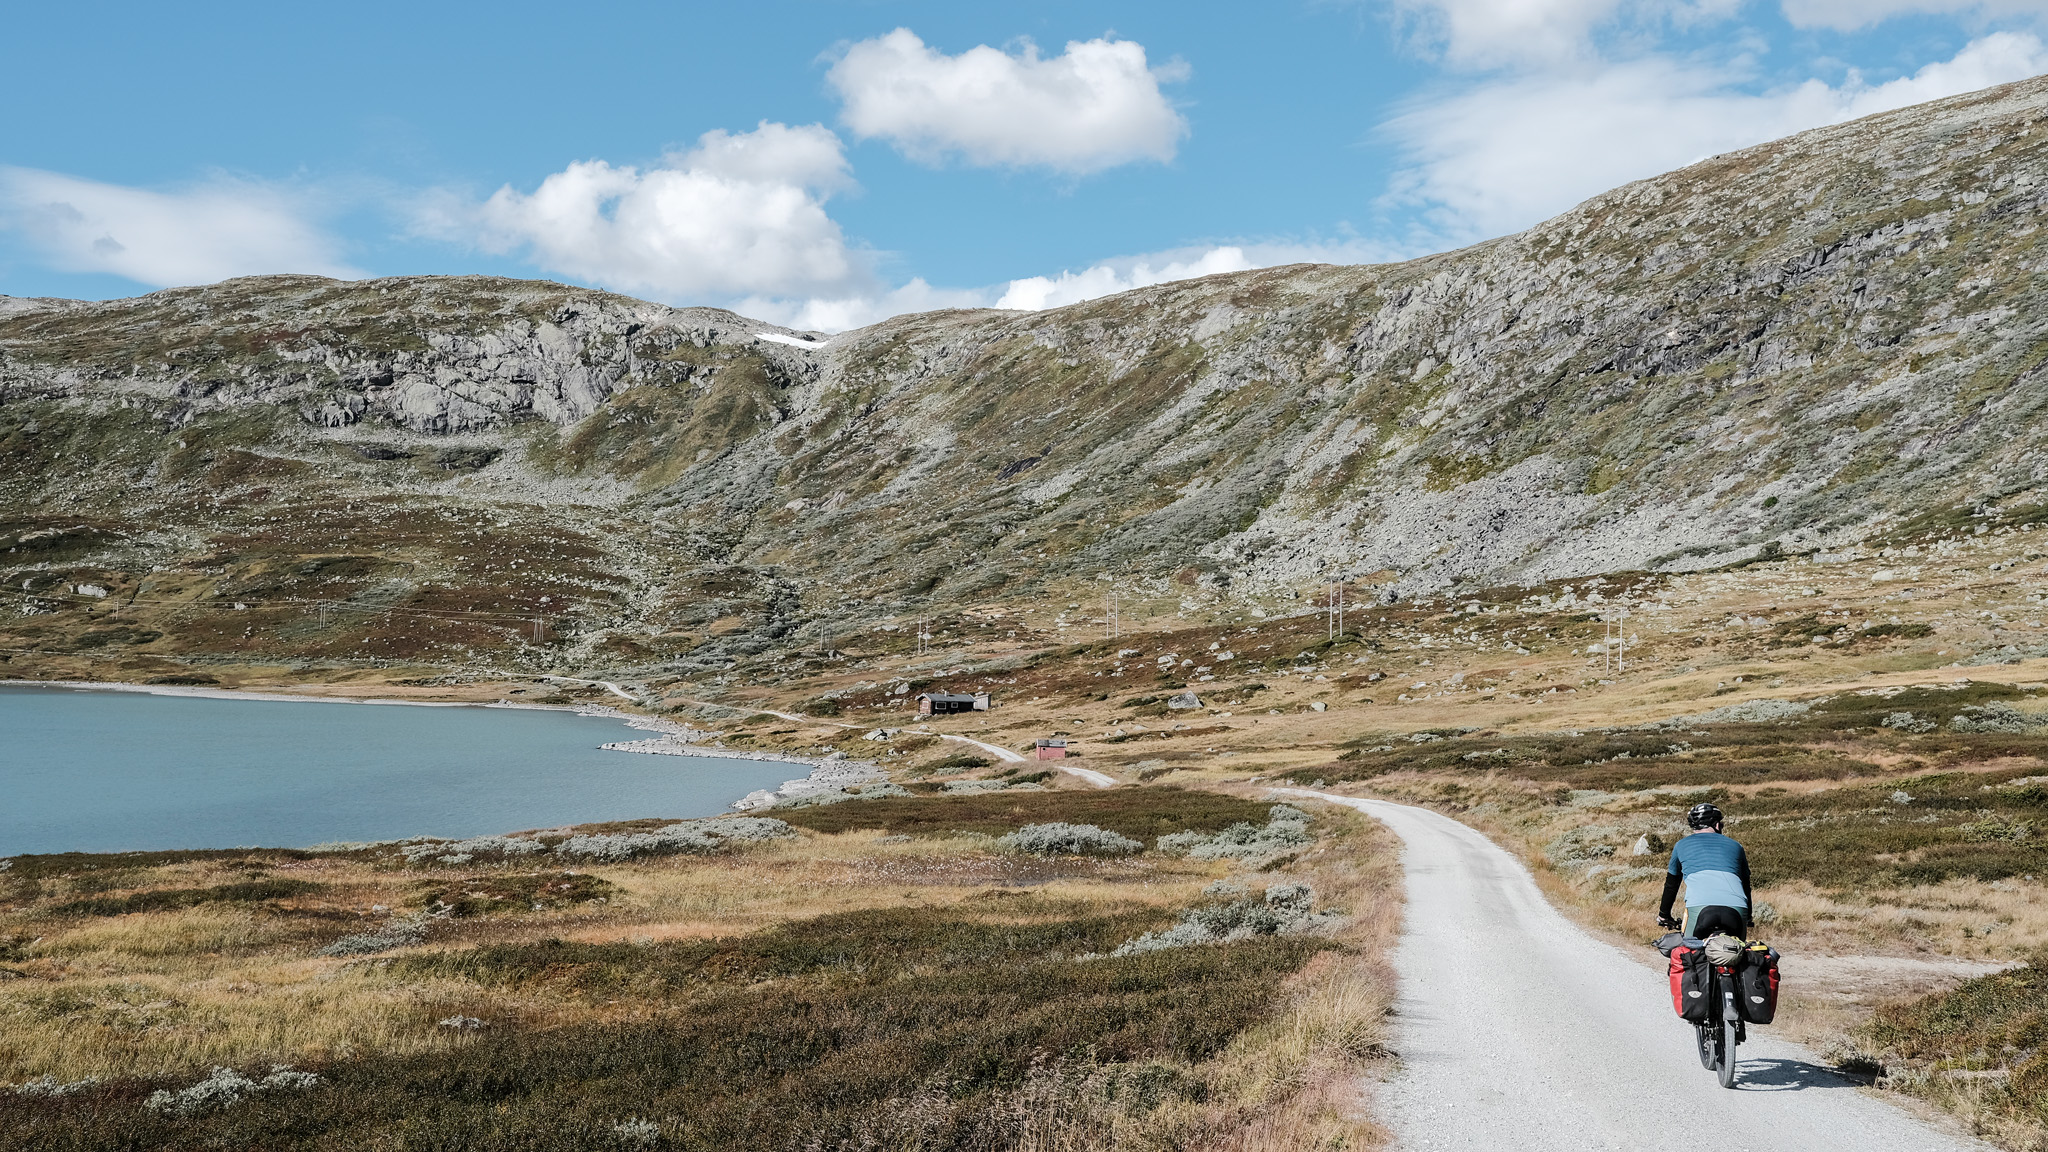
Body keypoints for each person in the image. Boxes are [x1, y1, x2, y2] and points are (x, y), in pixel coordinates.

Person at [1655, 802, 1752, 938]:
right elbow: (1746, 886)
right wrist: (1748, 917)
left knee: (1689, 950)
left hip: (1699, 907)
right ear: (1717, 824)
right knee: (1738, 950)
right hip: (1737, 907)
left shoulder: (1680, 845)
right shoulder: (1736, 846)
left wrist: (1664, 916)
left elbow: (1671, 885)